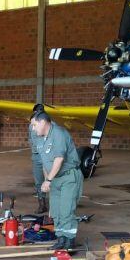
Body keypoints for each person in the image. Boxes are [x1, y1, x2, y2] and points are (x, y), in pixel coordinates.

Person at [31, 111, 84, 250]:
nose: (33, 128)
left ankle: (70, 243)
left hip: (68, 177)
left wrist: (48, 180)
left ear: (43, 123)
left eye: (34, 125)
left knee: (66, 211)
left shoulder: (59, 134)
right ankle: (61, 240)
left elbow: (59, 159)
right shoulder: (40, 139)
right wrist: (46, 181)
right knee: (55, 212)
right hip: (55, 179)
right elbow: (45, 163)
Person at [29, 103, 46, 214]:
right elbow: (30, 138)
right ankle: (42, 204)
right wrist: (34, 150)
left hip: (47, 155)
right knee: (39, 182)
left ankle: (56, 204)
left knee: (52, 180)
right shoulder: (31, 125)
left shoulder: (50, 124)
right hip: (36, 156)